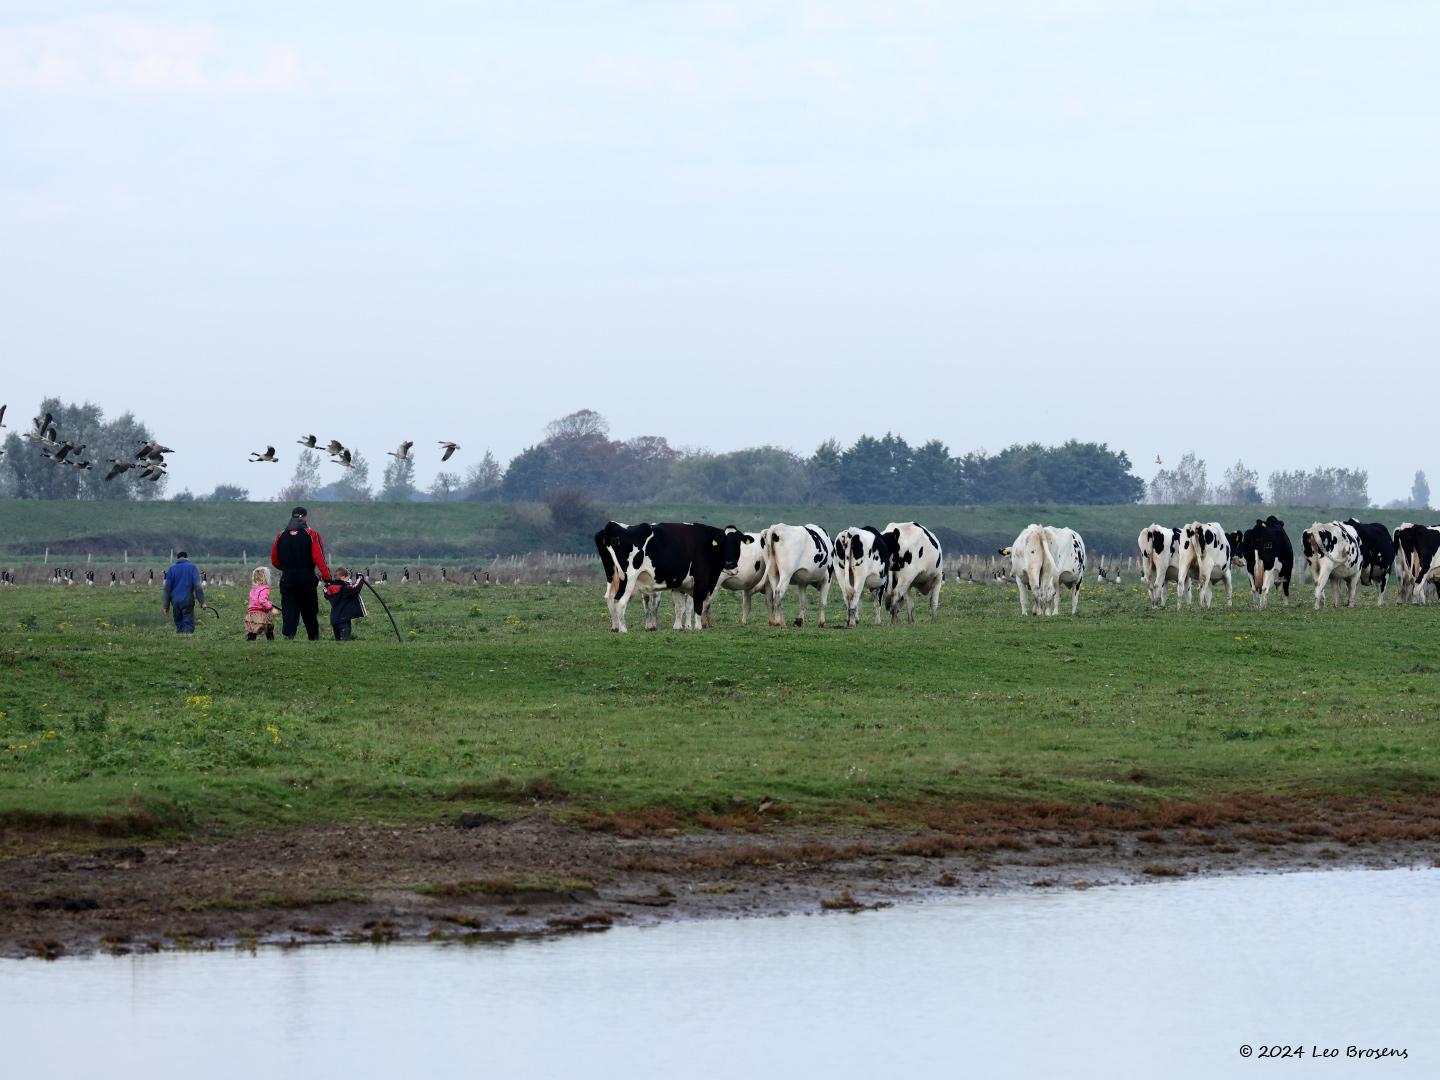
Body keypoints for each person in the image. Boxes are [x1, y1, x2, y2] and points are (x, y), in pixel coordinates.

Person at [271, 506, 330, 640]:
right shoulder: (312, 535)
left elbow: (275, 560)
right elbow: (319, 558)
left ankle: (288, 636)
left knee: (289, 609)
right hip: (306, 580)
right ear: (305, 518)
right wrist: (327, 578)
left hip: (287, 579)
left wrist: (287, 569)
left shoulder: (281, 535)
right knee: (309, 610)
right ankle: (313, 636)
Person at [162, 550, 206, 634]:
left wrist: (166, 606)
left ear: (177, 558)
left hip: (175, 602)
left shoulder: (171, 569)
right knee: (188, 623)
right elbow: (197, 586)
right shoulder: (192, 567)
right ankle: (187, 641)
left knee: (179, 624)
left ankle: (180, 640)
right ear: (187, 558)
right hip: (187, 600)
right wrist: (202, 602)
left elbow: (167, 589)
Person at [323, 567, 367, 640]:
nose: (349, 580)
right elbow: (356, 588)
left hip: (334, 620)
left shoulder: (330, 588)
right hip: (344, 621)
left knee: (338, 642)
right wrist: (360, 578)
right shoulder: (344, 589)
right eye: (347, 578)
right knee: (344, 643)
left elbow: (325, 592)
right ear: (343, 577)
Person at [244, 567, 277, 641]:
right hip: (260, 612)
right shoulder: (265, 588)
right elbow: (262, 601)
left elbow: (254, 600)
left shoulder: (253, 588)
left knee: (253, 627)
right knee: (268, 626)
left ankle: (250, 640)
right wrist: (271, 608)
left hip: (252, 612)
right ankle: (271, 641)